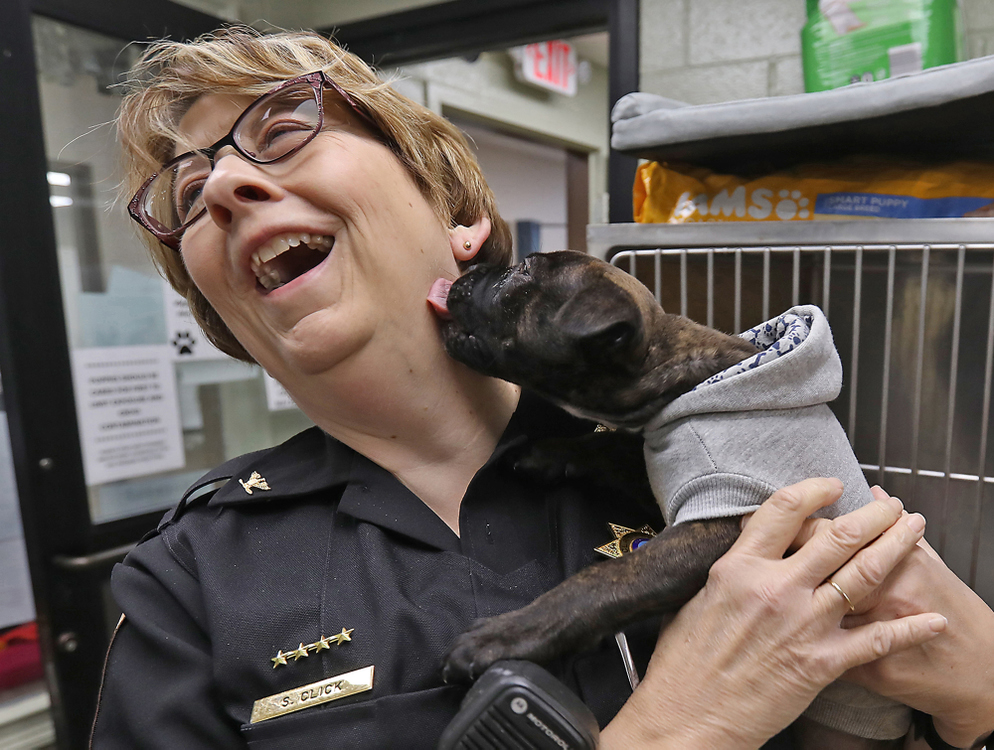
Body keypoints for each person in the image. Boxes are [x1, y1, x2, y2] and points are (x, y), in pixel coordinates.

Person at [91, 26, 994, 748]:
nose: (227, 187)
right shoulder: (186, 587)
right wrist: (681, 728)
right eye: (187, 195)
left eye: (284, 132)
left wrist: (980, 699)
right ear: (217, 311)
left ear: (458, 215)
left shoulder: (672, 447)